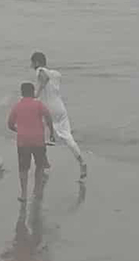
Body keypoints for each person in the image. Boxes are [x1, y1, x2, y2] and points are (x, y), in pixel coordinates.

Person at [31, 51, 88, 179]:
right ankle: (81, 162)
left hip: (48, 109)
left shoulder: (40, 70)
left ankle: (43, 163)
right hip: (60, 108)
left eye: (32, 63)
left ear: (37, 62)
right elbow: (50, 79)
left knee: (38, 136)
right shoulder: (56, 74)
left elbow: (43, 77)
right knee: (68, 136)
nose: (31, 65)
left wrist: (36, 94)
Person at [8, 82, 55, 203]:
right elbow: (48, 117)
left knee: (23, 168)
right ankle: (37, 190)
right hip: (38, 141)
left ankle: (24, 194)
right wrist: (51, 132)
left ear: (22, 93)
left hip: (23, 141)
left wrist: (18, 130)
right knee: (40, 166)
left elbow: (10, 124)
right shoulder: (38, 104)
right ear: (33, 92)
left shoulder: (17, 106)